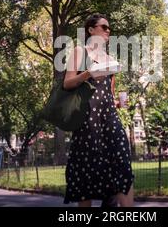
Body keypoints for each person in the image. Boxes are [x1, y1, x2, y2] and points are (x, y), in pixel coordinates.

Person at [62, 14, 135, 207]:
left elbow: (109, 93)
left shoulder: (110, 59)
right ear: (91, 30)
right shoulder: (79, 52)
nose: (108, 30)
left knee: (122, 164)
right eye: (104, 27)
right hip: (86, 120)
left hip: (110, 120)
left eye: (109, 28)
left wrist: (119, 103)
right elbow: (67, 83)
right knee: (86, 171)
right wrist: (88, 73)